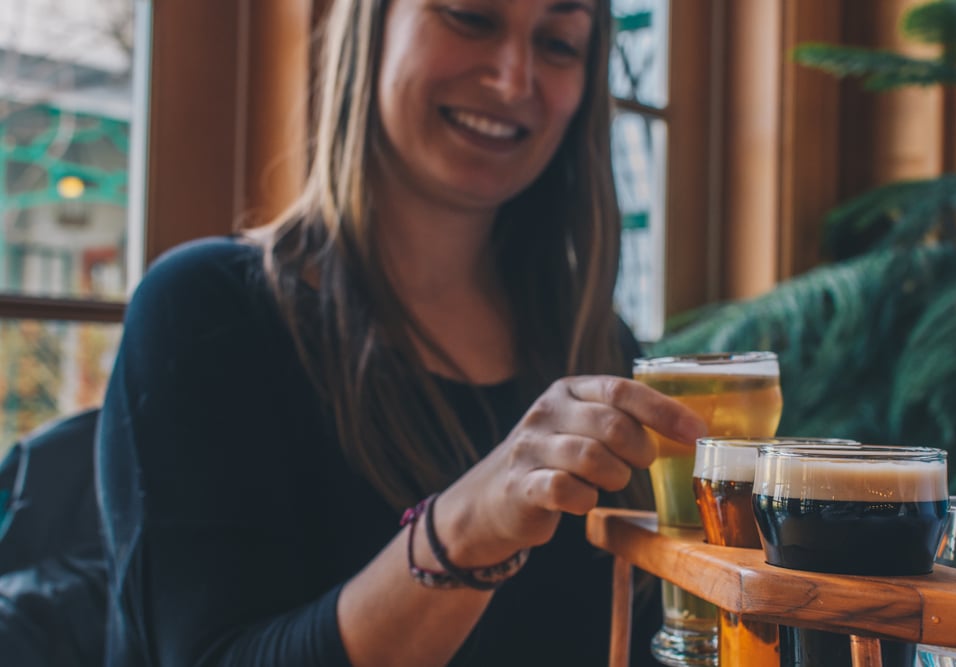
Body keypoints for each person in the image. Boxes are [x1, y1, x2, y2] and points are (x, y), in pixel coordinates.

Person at [96, 0, 708, 665]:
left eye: (559, 43)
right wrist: (466, 528)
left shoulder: (600, 348)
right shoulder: (205, 310)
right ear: (373, 25)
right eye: (471, 17)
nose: (513, 79)